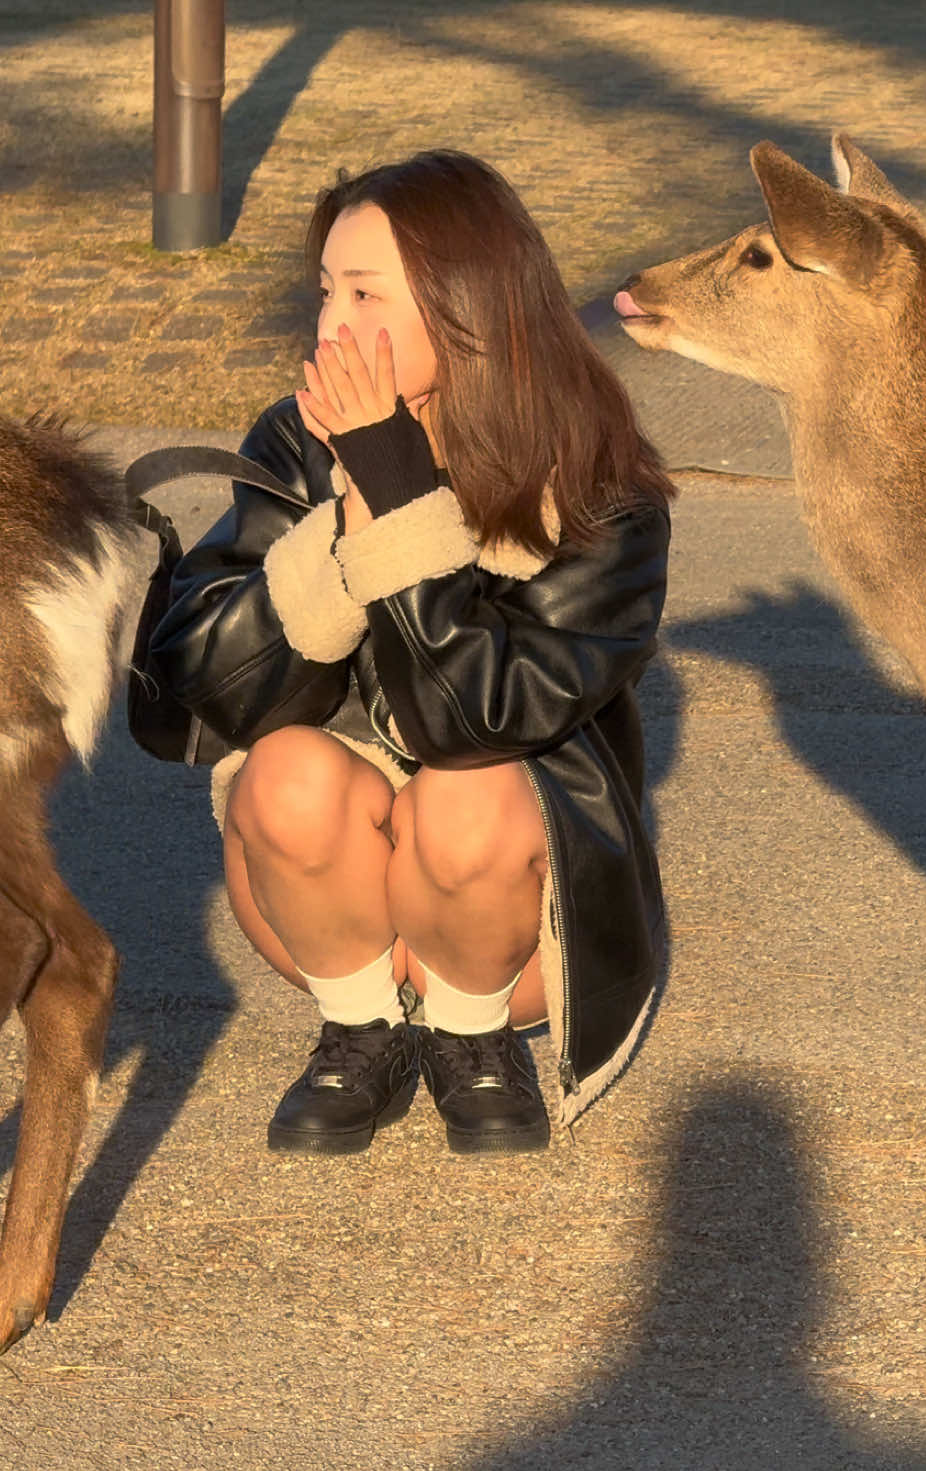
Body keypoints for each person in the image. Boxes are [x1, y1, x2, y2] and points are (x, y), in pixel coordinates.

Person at [146, 149, 673, 1158]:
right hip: (334, 907)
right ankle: (361, 1031)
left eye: (365, 294)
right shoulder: (300, 439)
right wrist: (338, 535)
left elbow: (467, 720)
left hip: (516, 927)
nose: (331, 326)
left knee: (464, 789)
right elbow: (203, 691)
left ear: (466, 308)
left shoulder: (601, 487)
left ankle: (473, 1043)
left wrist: (394, 492)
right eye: (325, 292)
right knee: (286, 771)